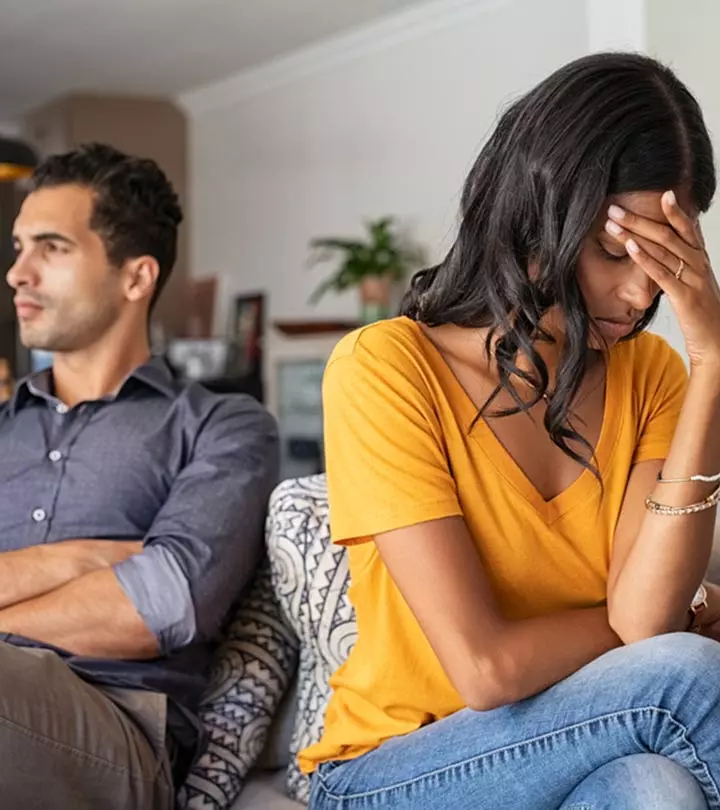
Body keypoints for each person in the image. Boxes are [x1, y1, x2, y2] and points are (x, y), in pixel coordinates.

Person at [300, 53, 720, 810]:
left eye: (666, 261)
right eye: (613, 251)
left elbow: (644, 619)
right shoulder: (385, 369)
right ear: (536, 213)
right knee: (687, 675)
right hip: (391, 772)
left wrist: (714, 360)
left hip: (567, 747)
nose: (641, 291)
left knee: (657, 787)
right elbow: (486, 669)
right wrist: (649, 629)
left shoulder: (651, 373)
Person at [0, 143, 279, 809]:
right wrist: (81, 560)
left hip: (116, 725)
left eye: (52, 247)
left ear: (136, 278)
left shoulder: (223, 425)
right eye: (18, 247)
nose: (17, 273)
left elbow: (164, 601)